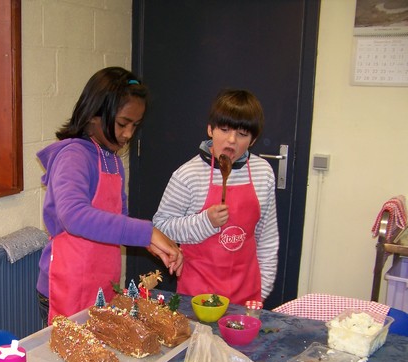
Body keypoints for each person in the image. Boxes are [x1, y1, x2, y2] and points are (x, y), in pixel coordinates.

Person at [37, 66, 183, 325]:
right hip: (67, 287)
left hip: (101, 285)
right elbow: (75, 217)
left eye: (135, 125)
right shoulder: (73, 156)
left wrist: (149, 243)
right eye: (122, 123)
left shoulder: (112, 161)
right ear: (93, 114)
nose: (129, 134)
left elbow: (118, 220)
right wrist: (147, 232)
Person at [153, 89, 278, 305]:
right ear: (210, 129)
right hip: (196, 296)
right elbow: (161, 228)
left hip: (246, 294)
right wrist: (206, 222)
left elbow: (267, 237)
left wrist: (262, 291)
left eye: (242, 134)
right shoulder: (188, 175)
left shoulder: (263, 172)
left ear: (253, 139)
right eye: (224, 129)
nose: (231, 140)